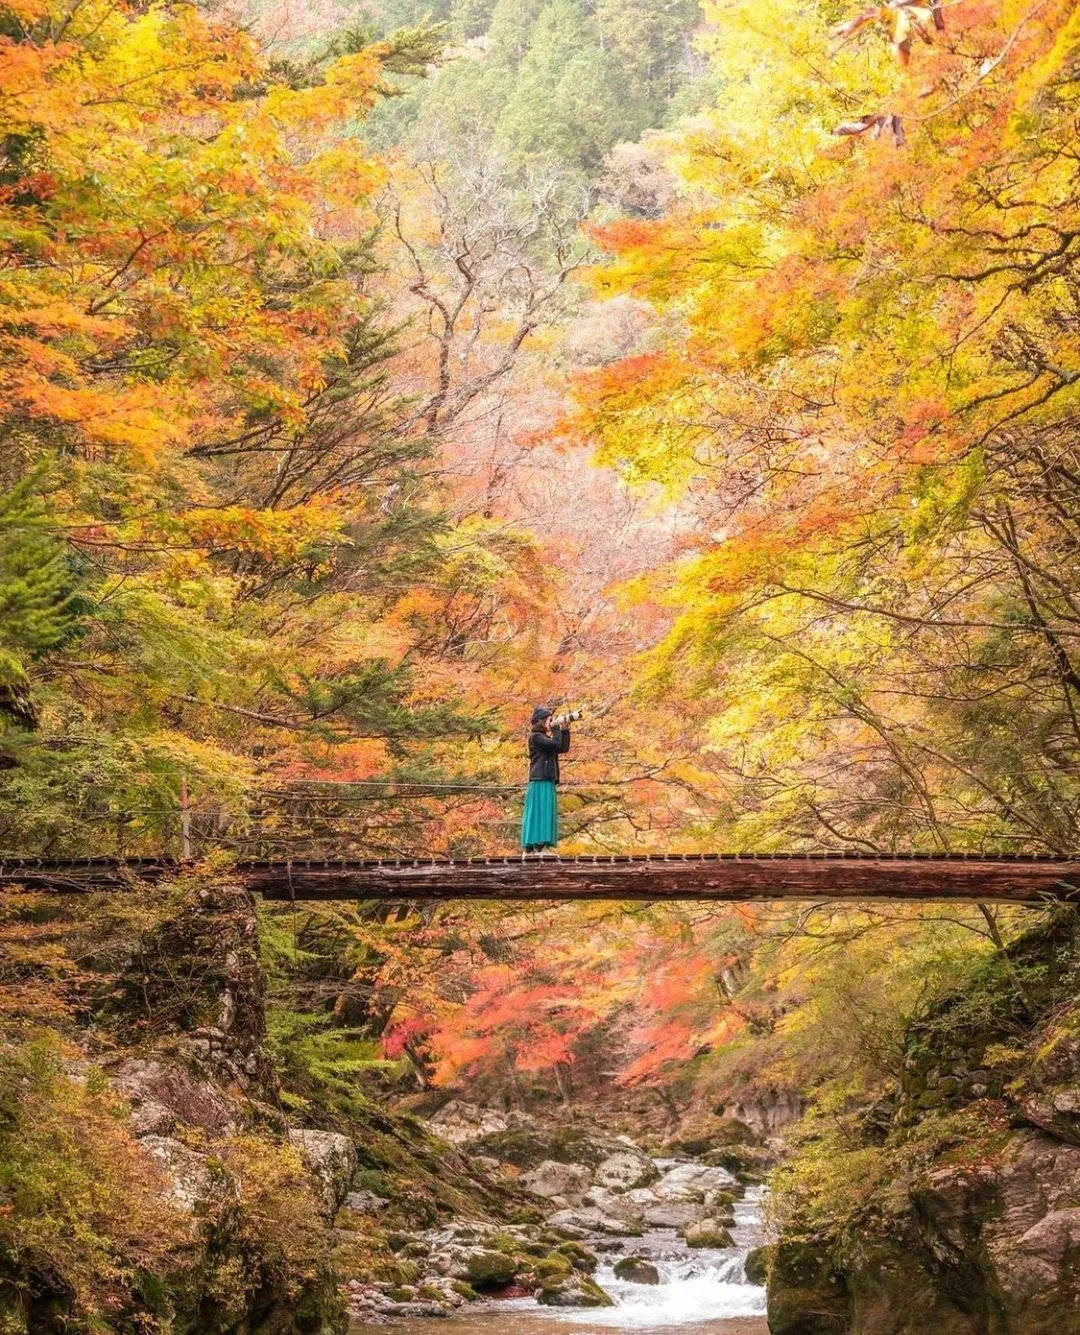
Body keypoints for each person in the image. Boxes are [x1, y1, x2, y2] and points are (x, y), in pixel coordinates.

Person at [521, 705, 570, 852]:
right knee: (539, 811)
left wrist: (565, 729)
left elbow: (562, 748)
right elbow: (555, 744)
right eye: (549, 720)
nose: (550, 723)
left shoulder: (544, 738)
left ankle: (543, 842)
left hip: (547, 778)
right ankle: (537, 842)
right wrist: (556, 727)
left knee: (546, 811)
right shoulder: (536, 737)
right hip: (540, 778)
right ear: (541, 721)